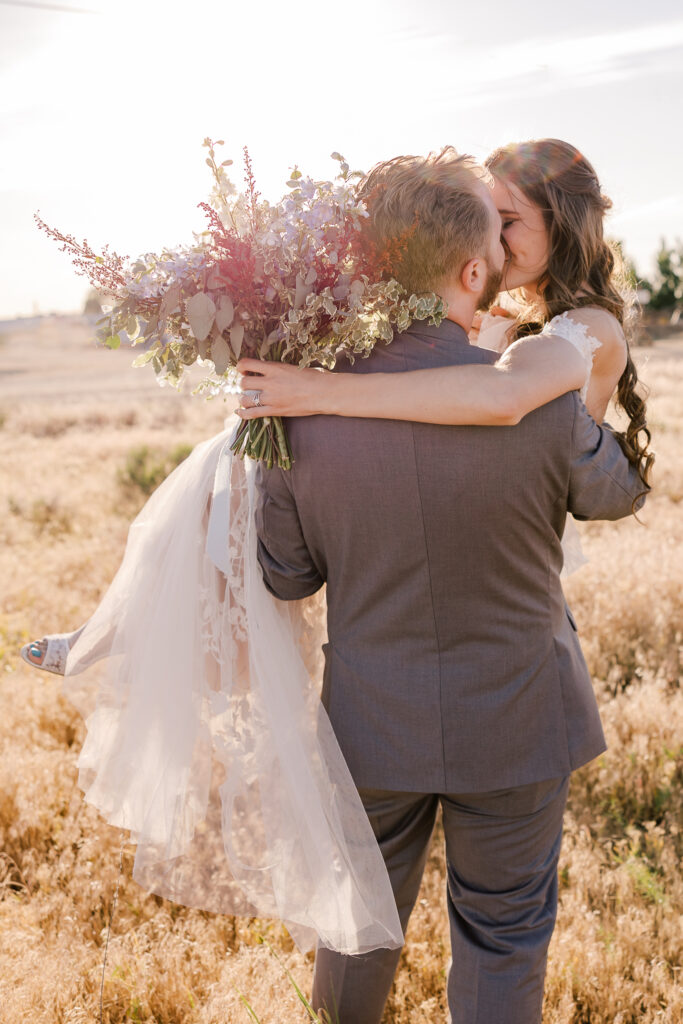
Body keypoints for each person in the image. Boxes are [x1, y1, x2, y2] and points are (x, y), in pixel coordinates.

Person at [250, 145, 649, 1023]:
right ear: (472, 263)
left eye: (516, 223)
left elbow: (283, 572)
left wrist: (311, 404)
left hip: (371, 717)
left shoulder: (304, 404)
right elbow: (611, 493)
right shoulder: (534, 376)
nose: (503, 246)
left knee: (356, 929)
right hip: (518, 711)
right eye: (492, 227)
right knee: (504, 938)